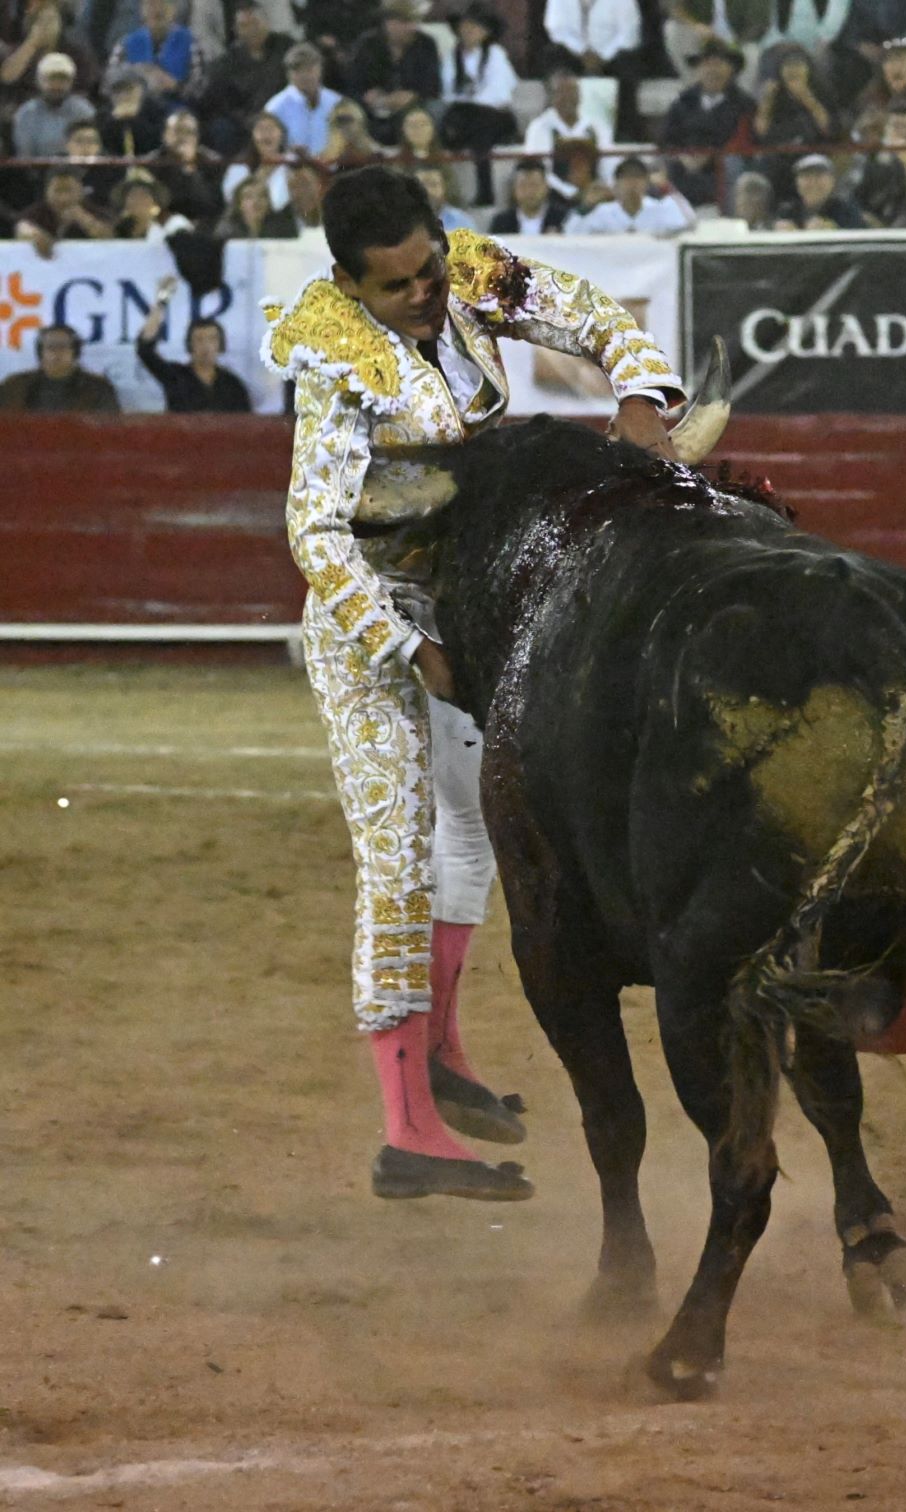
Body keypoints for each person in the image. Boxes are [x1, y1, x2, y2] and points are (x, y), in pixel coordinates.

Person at [260, 165, 683, 1200]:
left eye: (428, 269)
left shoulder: (469, 274)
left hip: (463, 599)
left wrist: (638, 390)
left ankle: (442, 1058)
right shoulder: (335, 360)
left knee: (473, 832)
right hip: (370, 624)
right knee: (397, 855)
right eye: (396, 284)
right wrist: (411, 651)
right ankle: (406, 1133)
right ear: (350, 285)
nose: (424, 294)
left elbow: (591, 315)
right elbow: (316, 535)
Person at [659, 36, 755, 208]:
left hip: (721, 169)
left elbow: (745, 139)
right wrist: (683, 156)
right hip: (683, 166)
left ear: (731, 69)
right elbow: (666, 138)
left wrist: (710, 155)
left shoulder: (744, 104)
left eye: (718, 64)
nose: (712, 70)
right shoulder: (683, 102)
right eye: (706, 64)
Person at [438, 2, 519, 206]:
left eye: (475, 26)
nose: (469, 30)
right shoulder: (452, 57)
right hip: (464, 117)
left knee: (481, 126)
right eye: (465, 25)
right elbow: (447, 93)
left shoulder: (496, 55)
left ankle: (485, 191)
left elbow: (499, 95)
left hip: (494, 117)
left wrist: (471, 103)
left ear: (486, 32)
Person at [137, 275, 252, 412]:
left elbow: (246, 421)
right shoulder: (176, 376)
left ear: (220, 344)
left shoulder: (232, 385)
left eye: (212, 339)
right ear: (189, 345)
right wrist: (161, 303)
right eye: (199, 339)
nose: (206, 346)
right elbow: (145, 350)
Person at [195, 0, 294, 154]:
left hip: (283, 114)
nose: (251, 30)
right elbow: (224, 103)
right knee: (221, 127)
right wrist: (249, 119)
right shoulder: (226, 63)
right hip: (244, 121)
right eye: (244, 26)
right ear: (236, 30)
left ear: (267, 23)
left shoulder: (286, 48)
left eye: (255, 23)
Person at [542, 0, 645, 139]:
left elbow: (629, 34)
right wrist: (582, 52)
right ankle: (556, 130)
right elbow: (557, 31)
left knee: (627, 64)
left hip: (611, 57)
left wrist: (603, 57)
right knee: (554, 56)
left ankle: (624, 133)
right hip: (574, 55)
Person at [347, 0, 441, 148]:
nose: (412, 27)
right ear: (389, 23)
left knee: (432, 111)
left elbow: (434, 86)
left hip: (415, 111)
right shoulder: (366, 45)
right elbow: (352, 87)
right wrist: (369, 98)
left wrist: (412, 96)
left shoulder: (426, 44)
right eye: (406, 22)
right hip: (374, 113)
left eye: (414, 22)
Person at [753, 42, 836, 199]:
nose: (793, 70)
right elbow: (761, 133)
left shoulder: (822, 92)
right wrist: (767, 102)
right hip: (778, 158)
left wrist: (806, 97)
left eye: (798, 65)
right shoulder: (773, 97)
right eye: (788, 65)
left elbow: (829, 129)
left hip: (812, 154)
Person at [522, 68, 615, 200]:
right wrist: (572, 193)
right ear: (551, 97)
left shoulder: (597, 126)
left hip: (594, 196)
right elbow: (540, 172)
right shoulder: (539, 127)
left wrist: (604, 189)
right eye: (561, 92)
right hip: (555, 198)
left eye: (572, 92)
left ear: (580, 95)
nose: (568, 98)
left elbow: (608, 166)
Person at [0, 324, 120, 413]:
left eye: (63, 346)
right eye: (50, 347)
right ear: (40, 353)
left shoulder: (98, 389)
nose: (56, 352)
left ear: (76, 352)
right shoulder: (14, 386)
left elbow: (109, 431)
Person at [567, 153, 697, 232]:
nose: (632, 182)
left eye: (638, 177)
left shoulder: (659, 207)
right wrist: (585, 207)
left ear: (647, 183)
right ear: (616, 184)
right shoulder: (603, 211)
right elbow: (570, 233)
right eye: (626, 177)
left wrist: (666, 188)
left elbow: (691, 222)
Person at [107, 0, 203, 106]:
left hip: (177, 112)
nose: (157, 9)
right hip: (135, 112)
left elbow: (200, 92)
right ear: (141, 9)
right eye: (150, 4)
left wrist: (175, 86)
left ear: (174, 9)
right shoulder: (124, 45)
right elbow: (108, 88)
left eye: (163, 3)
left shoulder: (191, 43)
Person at [148, 108, 225, 227]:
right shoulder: (152, 163)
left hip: (203, 225)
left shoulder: (212, 162)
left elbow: (211, 203)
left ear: (197, 137)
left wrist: (189, 168)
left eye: (189, 132)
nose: (183, 137)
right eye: (178, 131)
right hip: (163, 224)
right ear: (165, 135)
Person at [11, 51, 94, 159]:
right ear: (39, 81)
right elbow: (25, 156)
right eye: (51, 79)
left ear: (71, 82)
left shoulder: (84, 111)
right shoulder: (26, 114)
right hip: (36, 169)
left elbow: (90, 150)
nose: (57, 85)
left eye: (63, 80)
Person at [265, 40, 343, 155]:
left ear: (320, 69)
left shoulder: (336, 102)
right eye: (297, 70)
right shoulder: (275, 108)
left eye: (309, 69)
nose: (304, 75)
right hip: (292, 165)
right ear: (288, 74)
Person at [14, 167, 112, 257]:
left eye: (69, 191)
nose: (63, 198)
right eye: (57, 191)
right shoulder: (36, 211)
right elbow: (22, 227)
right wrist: (35, 236)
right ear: (47, 192)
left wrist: (83, 219)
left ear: (80, 191)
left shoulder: (92, 210)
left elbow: (109, 236)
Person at [221, 111, 292, 212]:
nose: (266, 134)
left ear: (281, 135)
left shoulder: (292, 162)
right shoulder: (240, 166)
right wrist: (263, 174)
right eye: (261, 129)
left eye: (271, 128)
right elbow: (231, 198)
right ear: (252, 137)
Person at [775, 151, 866, 227]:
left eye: (819, 176)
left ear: (832, 181)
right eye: (807, 176)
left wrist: (834, 230)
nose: (813, 182)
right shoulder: (787, 211)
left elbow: (860, 235)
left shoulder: (846, 210)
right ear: (796, 183)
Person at [488, 156, 570, 233]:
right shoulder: (501, 223)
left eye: (534, 185)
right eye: (523, 186)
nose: (529, 191)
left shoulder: (564, 219)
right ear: (514, 189)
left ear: (546, 187)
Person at [97, 69, 165, 157]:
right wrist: (115, 121)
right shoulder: (104, 114)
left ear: (142, 89)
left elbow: (157, 142)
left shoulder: (156, 109)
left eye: (129, 89)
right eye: (117, 92)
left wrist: (134, 120)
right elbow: (104, 145)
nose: (123, 96)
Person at [216, 173, 298, 237]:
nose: (256, 201)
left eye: (262, 196)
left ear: (269, 203)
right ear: (239, 204)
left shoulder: (282, 230)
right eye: (248, 197)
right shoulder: (227, 231)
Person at [412, 163, 478, 232]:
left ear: (445, 189)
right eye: (421, 185)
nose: (427, 191)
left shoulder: (462, 222)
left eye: (433, 185)